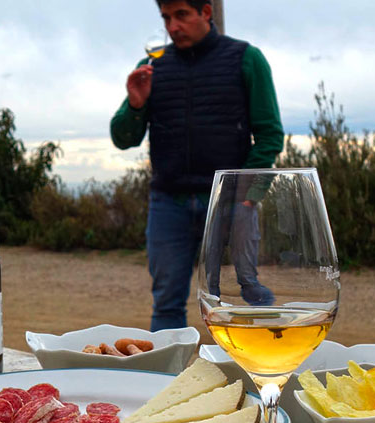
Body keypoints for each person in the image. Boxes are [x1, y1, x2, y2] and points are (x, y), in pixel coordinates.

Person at [110, 0, 284, 331]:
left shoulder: (246, 59)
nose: (172, 26)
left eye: (181, 15)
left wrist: (249, 195)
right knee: (167, 302)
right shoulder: (152, 67)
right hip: (168, 204)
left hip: (229, 200)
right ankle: (166, 381)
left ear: (206, 12)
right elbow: (123, 138)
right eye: (166, 18)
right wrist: (135, 103)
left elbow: (269, 134)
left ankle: (267, 373)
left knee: (244, 294)